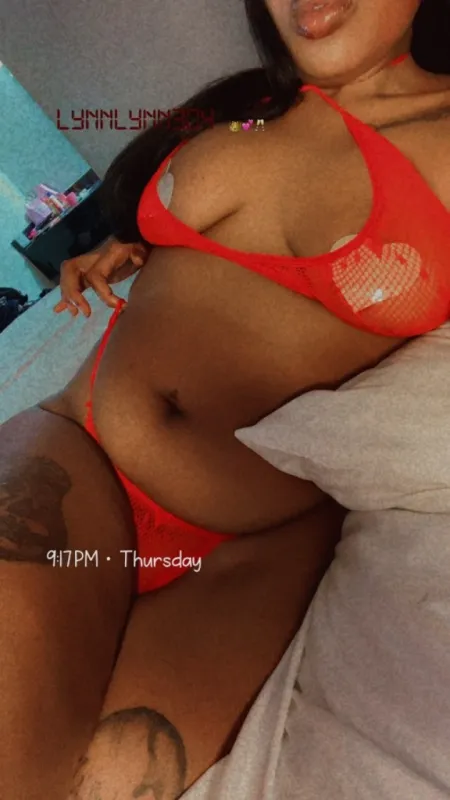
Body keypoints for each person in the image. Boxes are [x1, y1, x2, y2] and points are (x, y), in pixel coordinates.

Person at [1, 0, 450, 796]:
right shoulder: (246, 106)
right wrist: (126, 245)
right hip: (83, 449)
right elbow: (185, 231)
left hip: (252, 548)